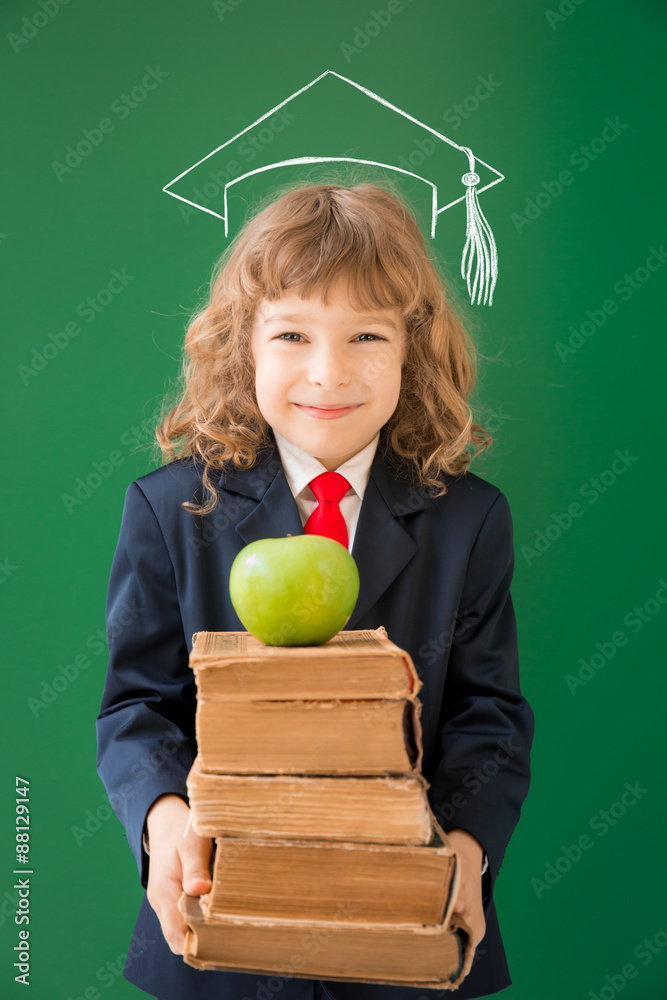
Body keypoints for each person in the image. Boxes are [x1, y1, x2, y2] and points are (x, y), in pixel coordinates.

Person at [95, 180, 535, 1000]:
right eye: (292, 333)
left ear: (413, 350)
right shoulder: (168, 510)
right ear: (244, 348)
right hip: (220, 930)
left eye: (365, 334)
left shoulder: (469, 520)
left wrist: (468, 852)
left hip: (409, 933)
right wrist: (165, 825)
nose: (327, 374)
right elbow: (135, 707)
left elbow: (489, 714)